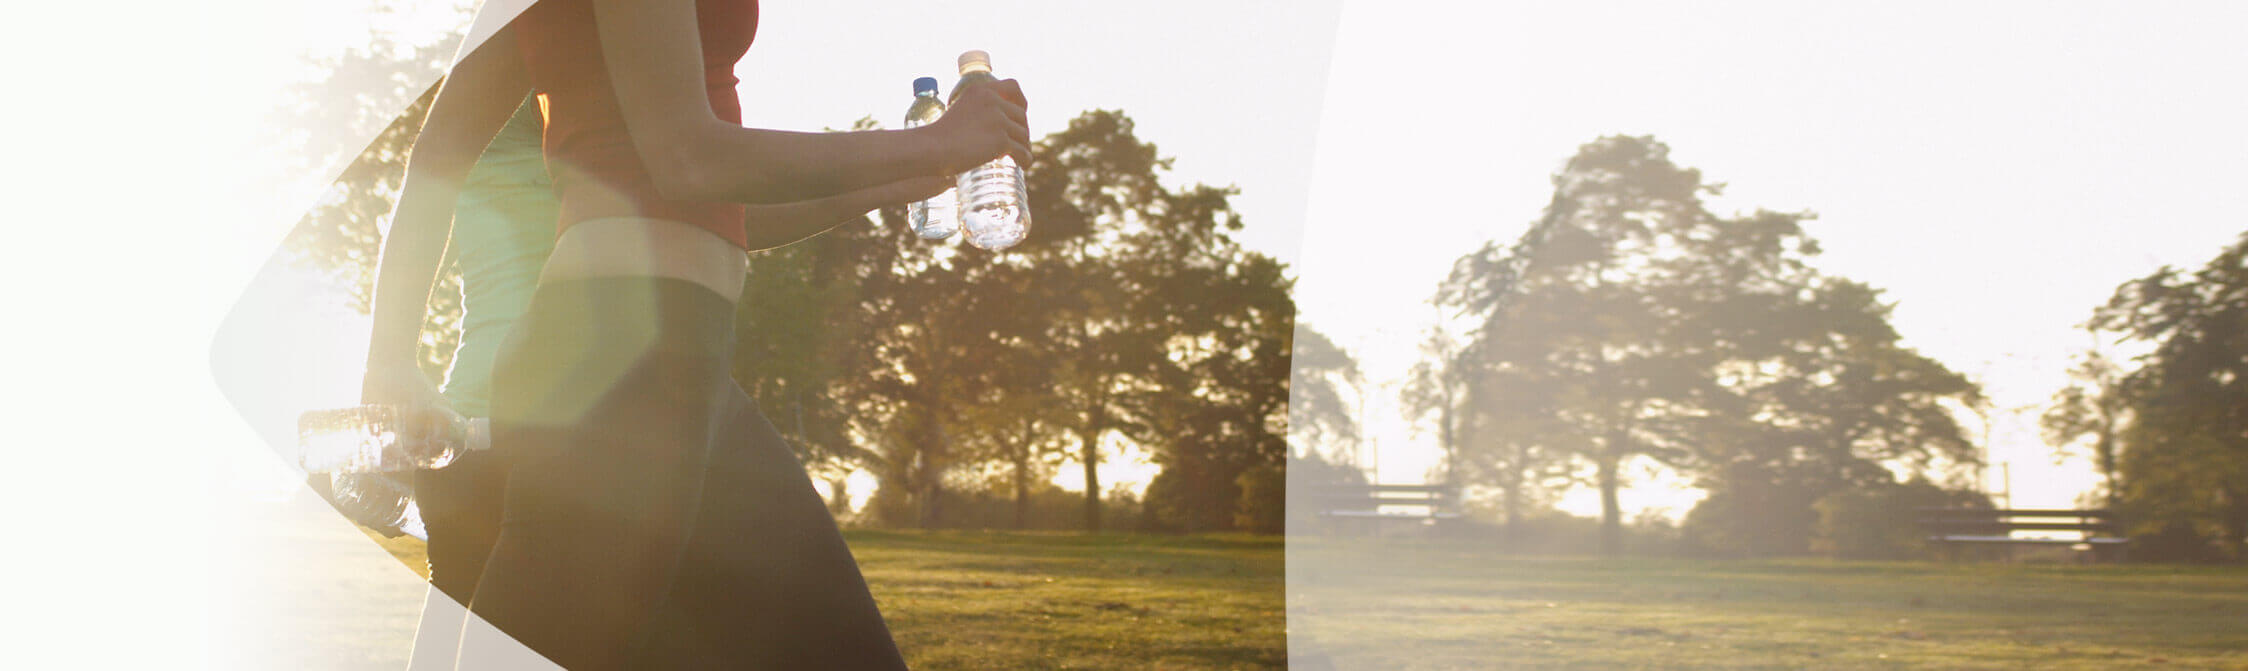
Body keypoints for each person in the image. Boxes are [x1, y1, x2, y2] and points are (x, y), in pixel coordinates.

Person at [360, 0, 1029, 667]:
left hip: (686, 363)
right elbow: (687, 158)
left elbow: (718, 205)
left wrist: (912, 172)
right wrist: (934, 142)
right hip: (614, 363)